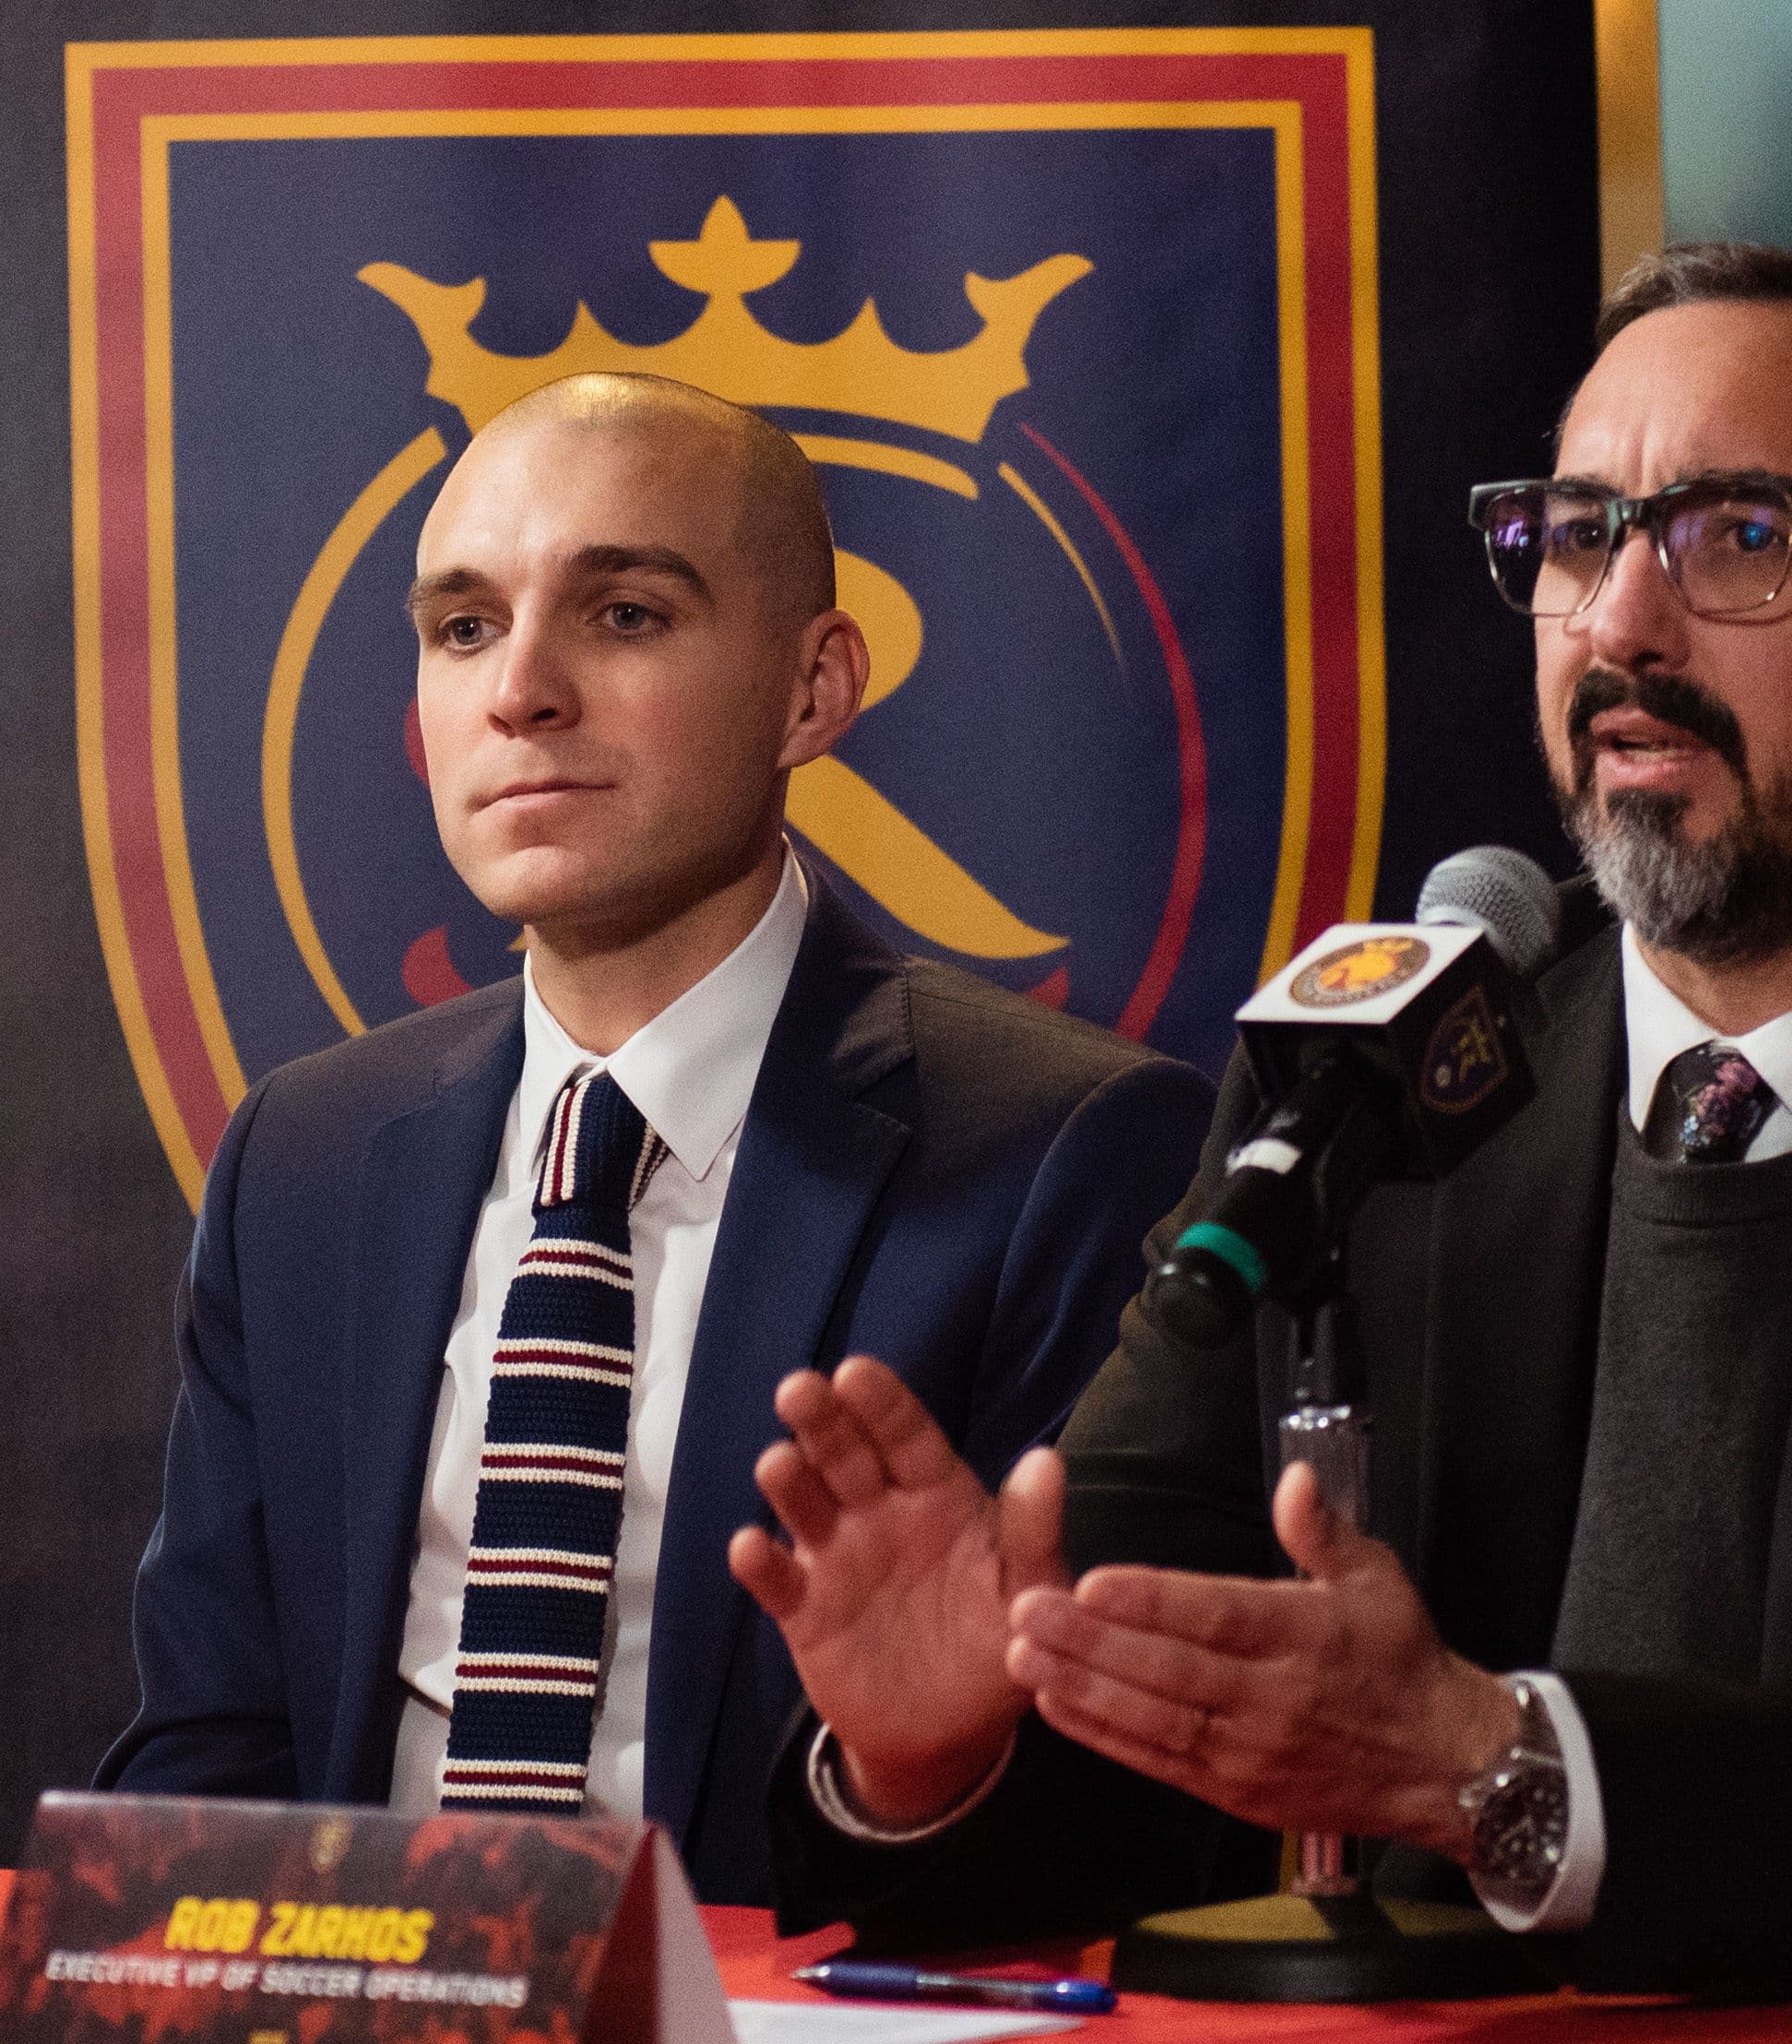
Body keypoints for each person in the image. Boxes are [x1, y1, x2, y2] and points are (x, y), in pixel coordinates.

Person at [740, 245, 1792, 1997]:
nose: (1621, 627)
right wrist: (942, 1752)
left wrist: (1494, 1769)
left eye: (1739, 538)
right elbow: (1151, 1755)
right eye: (1578, 537)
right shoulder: (1372, 1087)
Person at [97, 372, 1214, 1907]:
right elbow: (207, 1761)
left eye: (623, 614)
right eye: (464, 627)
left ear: (814, 689)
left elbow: (1130, 1829)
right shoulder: (304, 1155)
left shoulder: (1065, 1153)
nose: (520, 692)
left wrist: (913, 1770)